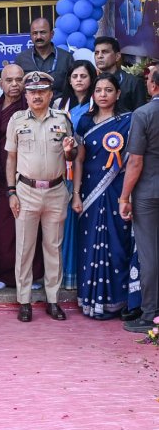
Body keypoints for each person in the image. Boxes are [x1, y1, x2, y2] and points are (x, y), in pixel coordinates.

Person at [6, 71, 78, 321]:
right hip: (26, 190)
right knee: (24, 248)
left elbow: (70, 158)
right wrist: (11, 192)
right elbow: (11, 158)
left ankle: (53, 299)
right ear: (25, 95)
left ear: (50, 95)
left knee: (53, 247)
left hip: (56, 191)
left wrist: (70, 152)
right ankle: (24, 301)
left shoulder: (62, 119)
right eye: (32, 91)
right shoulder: (17, 120)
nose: (37, 96)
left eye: (42, 91)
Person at [71, 73, 134, 319]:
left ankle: (117, 301)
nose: (103, 95)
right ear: (93, 95)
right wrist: (76, 194)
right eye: (99, 91)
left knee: (118, 244)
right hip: (89, 192)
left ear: (118, 94)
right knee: (89, 244)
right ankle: (91, 300)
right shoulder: (85, 122)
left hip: (118, 191)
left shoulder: (128, 121)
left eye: (109, 90)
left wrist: (128, 196)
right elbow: (79, 159)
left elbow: (134, 160)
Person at [0, 64, 42, 289]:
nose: (14, 85)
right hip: (1, 177)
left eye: (19, 80)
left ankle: (33, 274)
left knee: (30, 227)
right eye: (9, 80)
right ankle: (6, 274)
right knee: (4, 227)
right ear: (1, 83)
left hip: (28, 175)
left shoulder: (32, 108)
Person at [119, 67, 159, 333]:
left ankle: (149, 314)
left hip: (148, 192)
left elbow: (135, 161)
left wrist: (124, 197)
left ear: (154, 86)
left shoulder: (143, 114)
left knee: (149, 254)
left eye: (148, 78)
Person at [54, 60, 97, 291]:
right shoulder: (59, 104)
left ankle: (88, 275)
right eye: (75, 76)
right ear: (69, 79)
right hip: (64, 171)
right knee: (66, 224)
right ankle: (67, 276)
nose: (79, 80)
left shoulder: (97, 105)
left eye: (84, 76)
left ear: (91, 78)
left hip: (93, 170)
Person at [14, 17, 74, 96]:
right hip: (29, 106)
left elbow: (73, 87)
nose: (39, 37)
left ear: (52, 34)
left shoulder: (66, 58)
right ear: (31, 36)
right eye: (35, 33)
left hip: (59, 106)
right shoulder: (21, 58)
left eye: (43, 32)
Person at [94, 36, 148, 113]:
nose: (99, 56)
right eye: (96, 53)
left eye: (105, 52)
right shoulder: (93, 81)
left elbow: (141, 116)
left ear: (117, 56)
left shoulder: (133, 82)